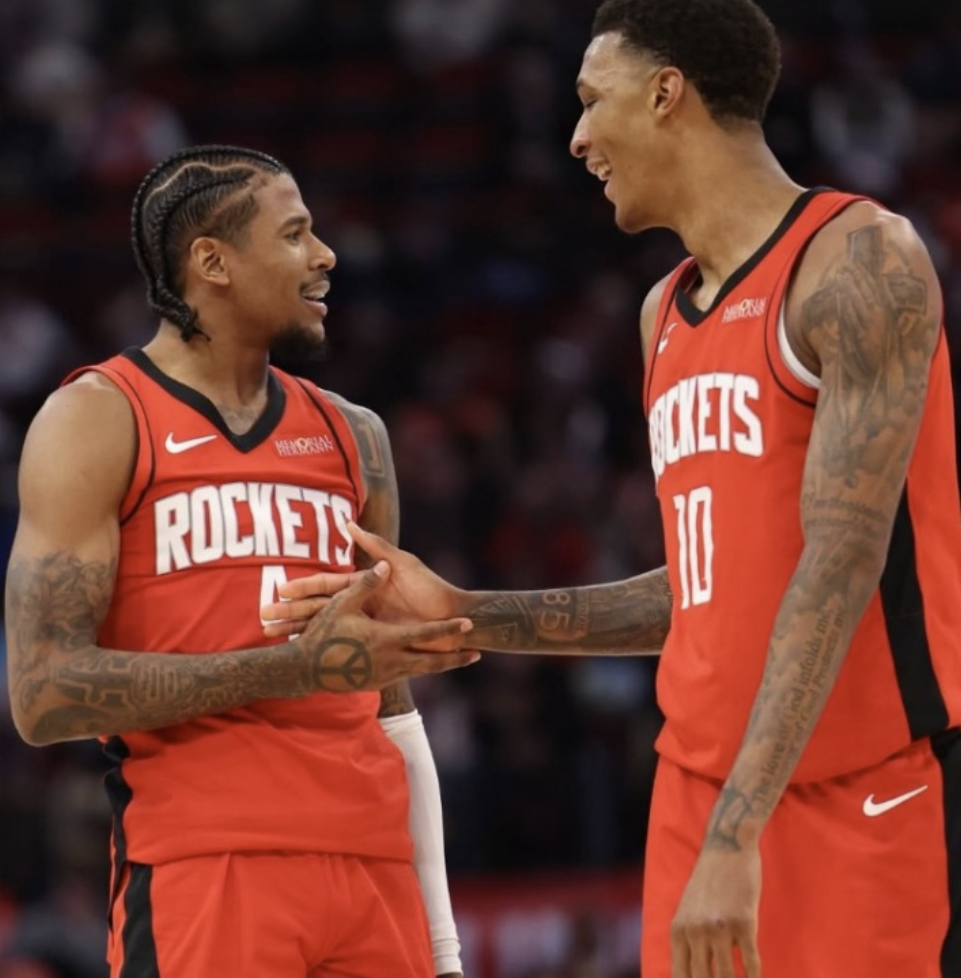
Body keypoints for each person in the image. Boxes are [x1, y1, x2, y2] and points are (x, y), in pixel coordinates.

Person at [261, 2, 961, 976]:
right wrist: (465, 612)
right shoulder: (661, 315)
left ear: (666, 92)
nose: (578, 137)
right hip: (696, 791)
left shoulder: (856, 260)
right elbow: (706, 593)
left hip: (859, 789)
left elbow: (839, 562)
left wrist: (735, 833)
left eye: (593, 100)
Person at [3, 144, 479, 978]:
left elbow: (392, 710)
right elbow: (43, 694)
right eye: (294, 235)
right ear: (212, 263)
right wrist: (292, 669)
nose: (325, 255)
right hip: (205, 865)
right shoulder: (99, 418)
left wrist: (442, 946)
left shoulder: (354, 435)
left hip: (374, 870)